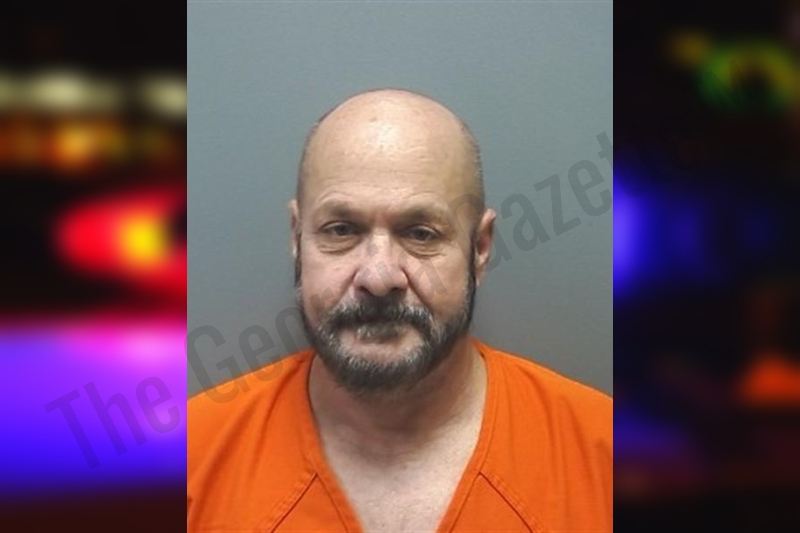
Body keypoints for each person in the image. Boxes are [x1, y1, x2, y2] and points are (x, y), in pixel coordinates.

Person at [187, 88, 612, 532]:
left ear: (480, 249)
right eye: (341, 230)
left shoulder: (605, 455)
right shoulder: (188, 459)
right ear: (297, 240)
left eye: (421, 234)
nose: (378, 277)